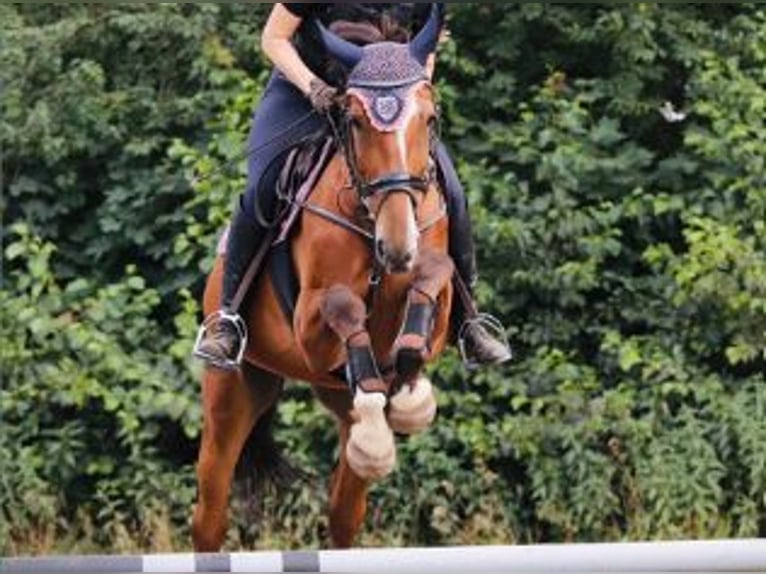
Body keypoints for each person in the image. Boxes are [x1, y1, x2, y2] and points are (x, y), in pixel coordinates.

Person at [194, 3, 512, 370]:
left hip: (389, 103)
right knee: (263, 186)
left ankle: (469, 321)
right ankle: (229, 319)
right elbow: (274, 38)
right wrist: (313, 86)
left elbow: (425, 54)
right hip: (306, 92)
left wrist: (415, 92)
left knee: (452, 191)